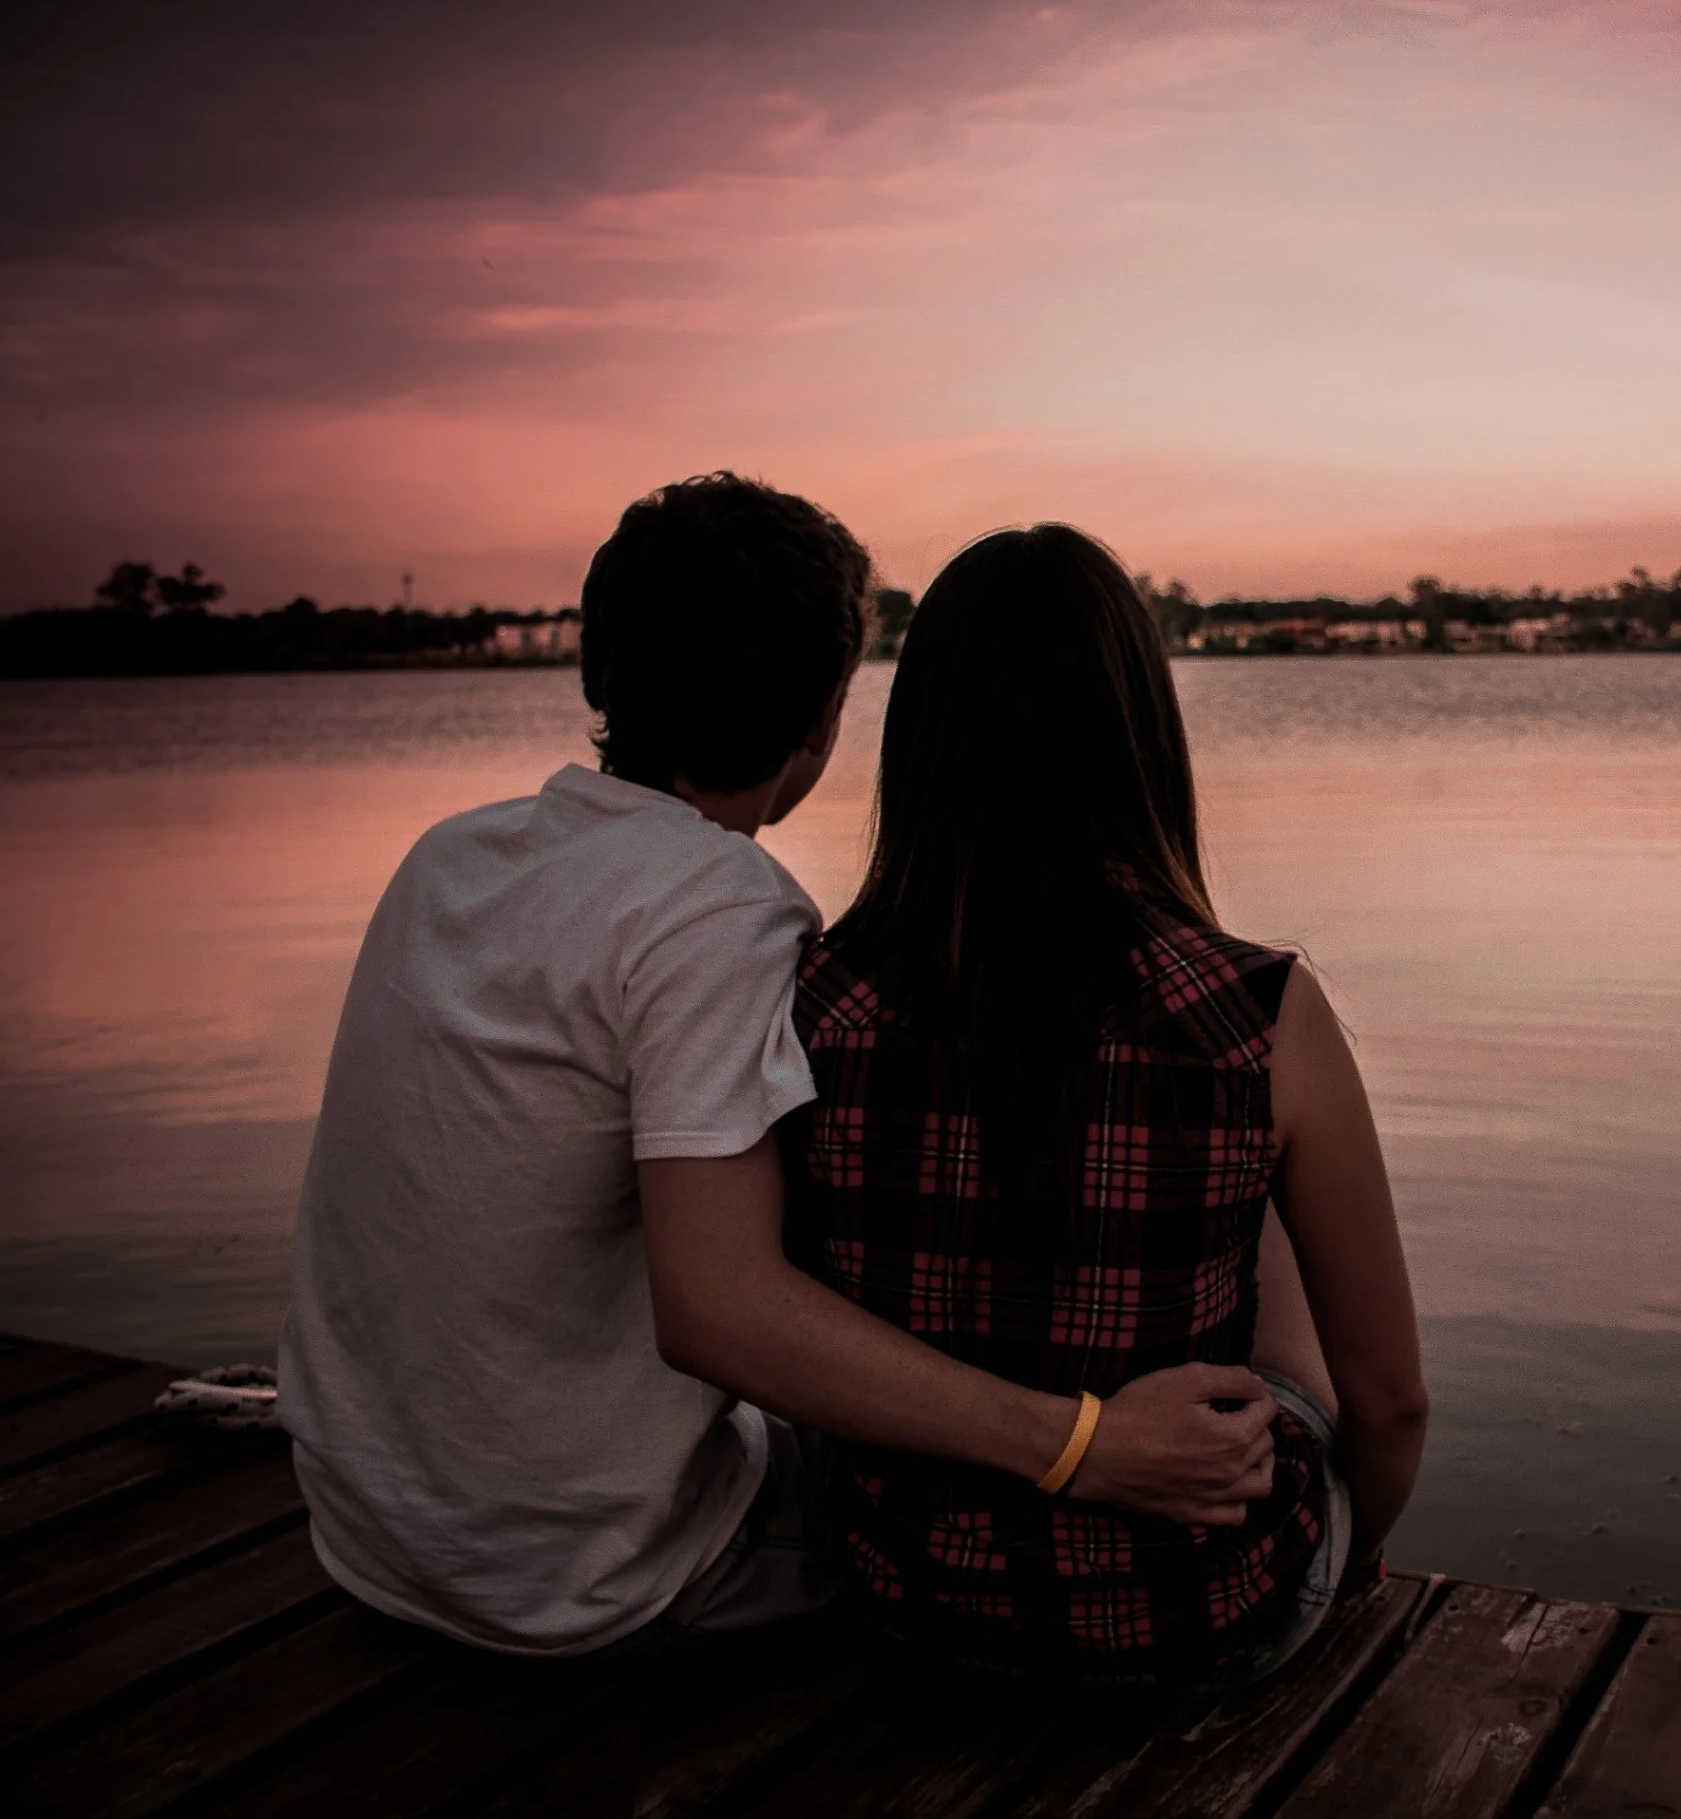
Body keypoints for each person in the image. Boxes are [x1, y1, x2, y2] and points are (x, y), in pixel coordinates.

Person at [279, 476, 1283, 1658]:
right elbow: (720, 1316)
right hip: (584, 1575)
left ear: (599, 676)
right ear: (821, 721)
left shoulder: (448, 860)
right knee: (938, 1501)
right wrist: (1081, 1443)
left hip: (368, 1529)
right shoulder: (719, 908)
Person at [786, 524, 1429, 1686]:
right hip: (1195, 1617)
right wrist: (1350, 1551)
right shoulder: (1259, 1008)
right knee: (1270, 1191)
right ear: (1140, 731)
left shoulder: (814, 1000)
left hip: (908, 1607)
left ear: (920, 741)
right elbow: (1390, 1408)